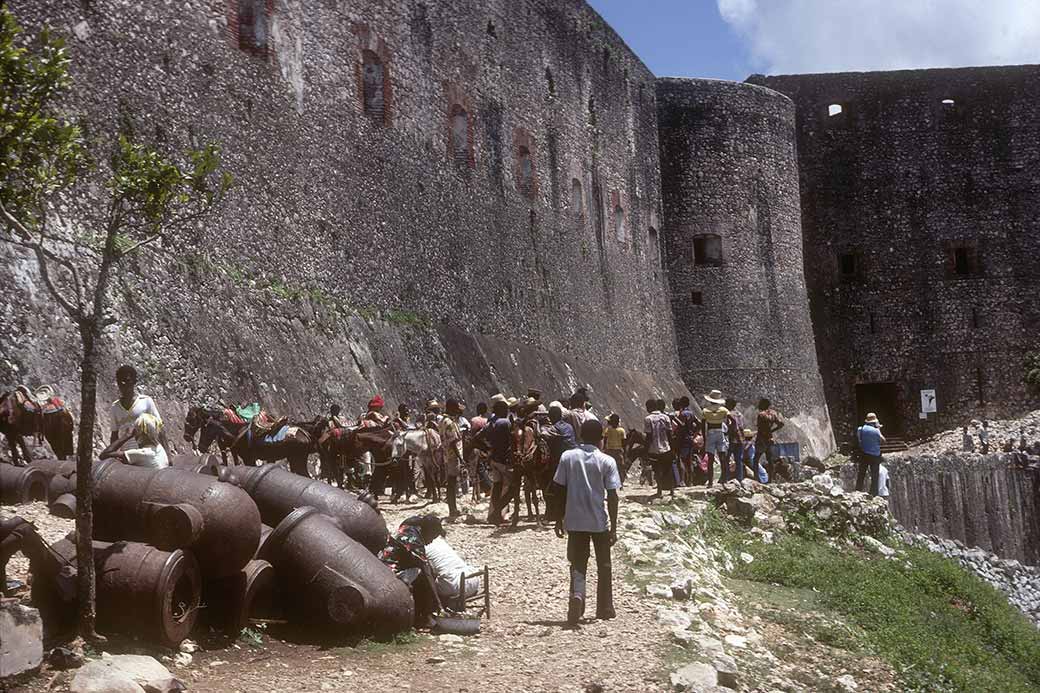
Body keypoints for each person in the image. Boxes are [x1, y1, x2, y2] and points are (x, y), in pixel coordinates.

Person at [551, 419, 619, 626]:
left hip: (574, 520)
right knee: (604, 564)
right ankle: (605, 607)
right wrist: (614, 527)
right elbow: (613, 496)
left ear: (580, 435)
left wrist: (558, 519)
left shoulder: (567, 457)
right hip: (599, 521)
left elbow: (558, 490)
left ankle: (578, 596)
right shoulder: (607, 461)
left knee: (578, 562)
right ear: (601, 438)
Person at [110, 364, 169, 457]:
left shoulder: (146, 401)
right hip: (128, 456)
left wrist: (168, 455)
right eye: (120, 382)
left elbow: (160, 428)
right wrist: (113, 455)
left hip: (149, 454)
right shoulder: (115, 407)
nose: (124, 385)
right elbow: (114, 435)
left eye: (127, 381)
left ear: (134, 382)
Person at [485, 394, 515, 524]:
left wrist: (489, 450)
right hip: (504, 460)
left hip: (494, 459)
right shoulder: (505, 422)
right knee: (513, 487)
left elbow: (479, 437)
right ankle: (497, 512)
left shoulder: (490, 422)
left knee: (497, 486)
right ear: (501, 408)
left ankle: (493, 515)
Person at [100, 412, 169, 469]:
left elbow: (104, 455)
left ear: (139, 433)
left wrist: (127, 435)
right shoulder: (159, 448)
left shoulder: (142, 453)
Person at [439, 398, 465, 518]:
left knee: (451, 482)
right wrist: (460, 458)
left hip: (446, 455)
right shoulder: (449, 423)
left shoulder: (443, 421)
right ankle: (452, 510)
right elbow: (453, 442)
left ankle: (452, 508)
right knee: (452, 483)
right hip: (453, 456)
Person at [645, 399, 675, 500]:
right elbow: (670, 434)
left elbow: (649, 436)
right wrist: (673, 448)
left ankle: (660, 491)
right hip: (666, 447)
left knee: (657, 470)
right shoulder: (665, 417)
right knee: (668, 469)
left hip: (654, 449)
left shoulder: (648, 419)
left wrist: (646, 449)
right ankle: (672, 490)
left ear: (649, 407)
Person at [701, 390, 729, 486]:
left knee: (710, 459)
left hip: (710, 433)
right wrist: (729, 429)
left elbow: (703, 424)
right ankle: (724, 479)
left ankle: (710, 482)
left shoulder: (705, 410)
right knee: (722, 456)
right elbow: (731, 419)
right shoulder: (723, 410)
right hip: (720, 432)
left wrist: (704, 438)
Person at [752, 398, 784, 483]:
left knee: (755, 459)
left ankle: (756, 479)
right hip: (769, 439)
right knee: (770, 460)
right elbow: (781, 424)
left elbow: (760, 428)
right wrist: (772, 431)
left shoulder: (761, 415)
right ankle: (770, 480)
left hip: (761, 438)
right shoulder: (773, 414)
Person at [856, 412, 886, 496]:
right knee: (874, 475)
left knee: (861, 473)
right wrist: (879, 430)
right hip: (875, 456)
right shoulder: (876, 431)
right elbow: (883, 441)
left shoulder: (860, 429)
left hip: (864, 454)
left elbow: (859, 441)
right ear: (874, 422)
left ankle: (858, 490)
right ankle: (873, 493)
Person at [724, 397, 745, 482]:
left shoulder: (728, 414)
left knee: (726, 458)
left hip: (732, 439)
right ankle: (739, 478)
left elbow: (731, 427)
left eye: (726, 404)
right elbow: (742, 426)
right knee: (738, 459)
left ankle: (726, 477)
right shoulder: (739, 414)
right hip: (740, 439)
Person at [602, 414, 627, 484]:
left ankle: (608, 481)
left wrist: (603, 448)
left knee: (608, 467)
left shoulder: (607, 430)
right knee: (620, 467)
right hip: (618, 451)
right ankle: (620, 482)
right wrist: (624, 451)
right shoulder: (622, 430)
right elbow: (624, 442)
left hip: (609, 451)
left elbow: (605, 440)